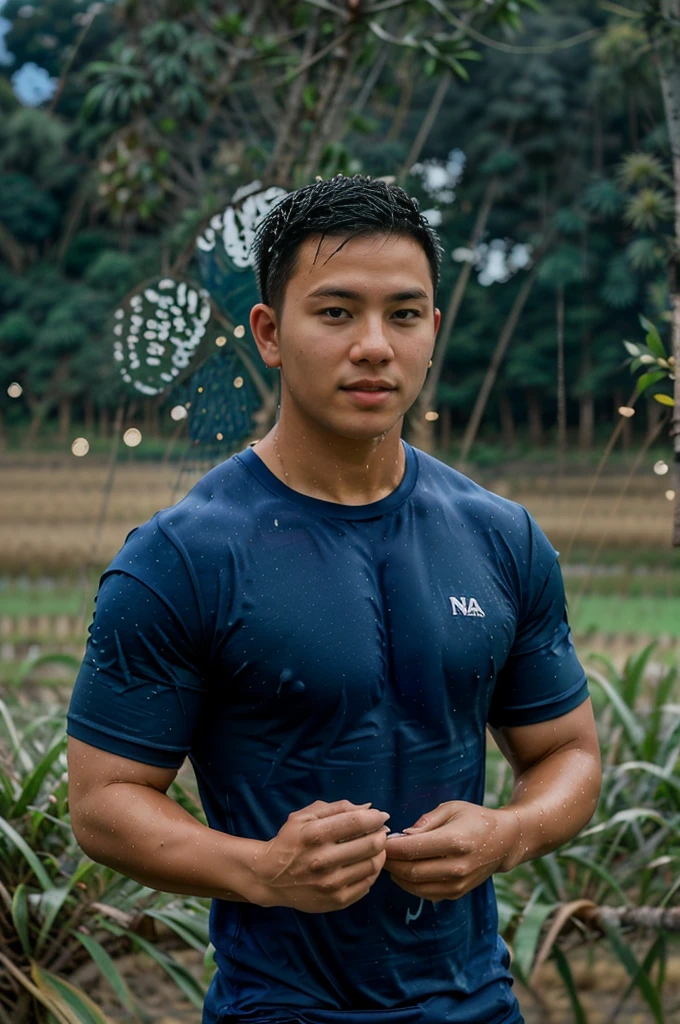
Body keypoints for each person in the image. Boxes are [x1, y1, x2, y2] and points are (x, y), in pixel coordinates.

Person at [67, 174, 602, 1024]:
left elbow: (568, 752)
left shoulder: (501, 536)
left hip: (479, 1002)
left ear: (433, 328)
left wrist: (510, 833)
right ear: (271, 334)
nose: (374, 346)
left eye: (402, 314)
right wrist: (261, 870)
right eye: (336, 312)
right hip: (280, 1007)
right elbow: (102, 803)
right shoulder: (181, 556)